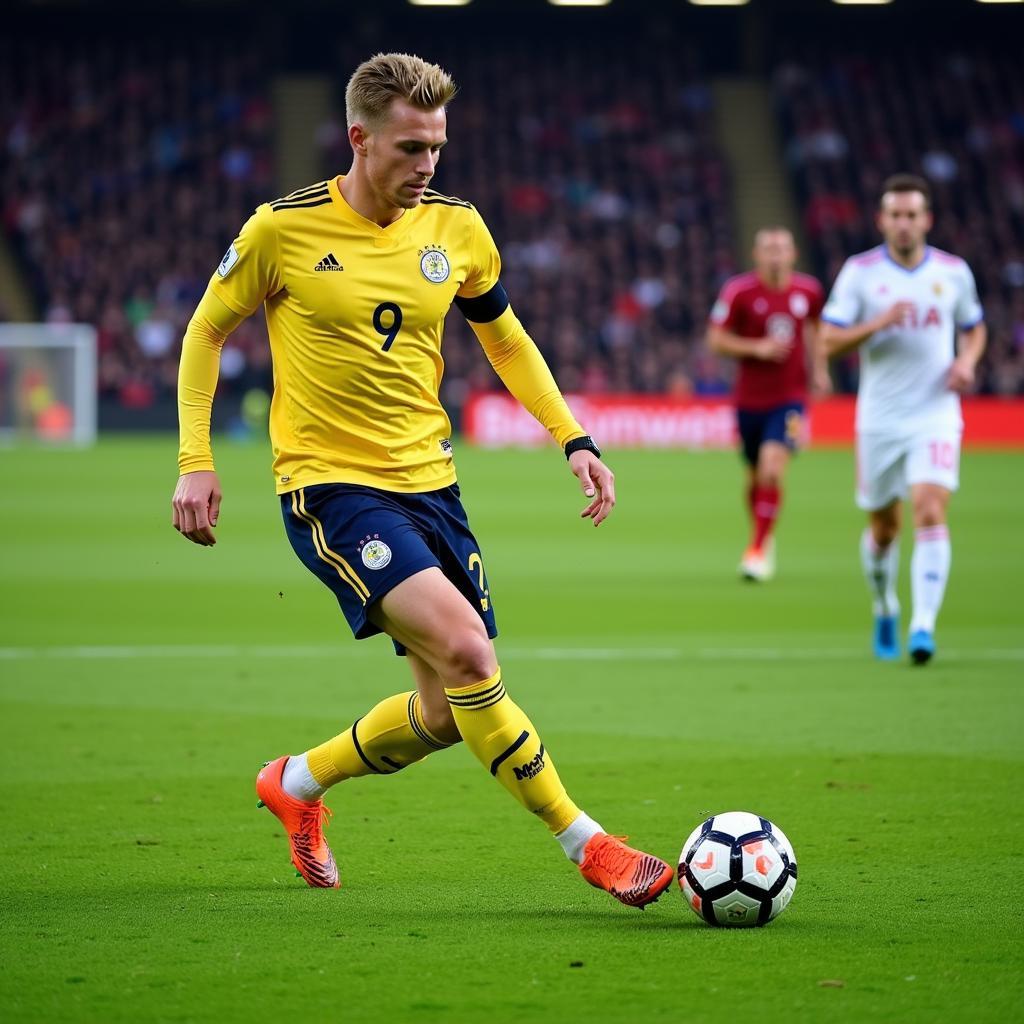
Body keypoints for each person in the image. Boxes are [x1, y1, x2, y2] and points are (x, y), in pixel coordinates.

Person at [171, 53, 673, 907]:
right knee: (472, 651)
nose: (428, 164)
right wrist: (195, 461)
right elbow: (204, 332)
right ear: (359, 139)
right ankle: (588, 844)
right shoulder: (280, 230)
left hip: (433, 486)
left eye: (438, 145)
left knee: (446, 713)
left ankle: (295, 782)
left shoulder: (457, 229)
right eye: (410, 148)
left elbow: (506, 339)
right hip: (332, 487)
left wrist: (573, 438)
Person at [820, 174, 986, 664]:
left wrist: (967, 361)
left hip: (936, 413)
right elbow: (828, 340)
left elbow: (974, 329)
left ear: (926, 220)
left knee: (930, 508)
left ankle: (923, 626)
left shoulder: (954, 272)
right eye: (895, 215)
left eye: (913, 215)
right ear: (882, 220)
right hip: (879, 419)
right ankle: (885, 604)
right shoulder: (860, 272)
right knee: (885, 527)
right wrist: (877, 323)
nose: (904, 223)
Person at [707, 227, 829, 581]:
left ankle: (758, 547)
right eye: (768, 249)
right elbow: (715, 340)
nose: (775, 254)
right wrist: (754, 348)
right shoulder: (739, 292)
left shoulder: (809, 291)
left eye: (781, 248)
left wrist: (819, 370)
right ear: (756, 254)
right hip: (749, 399)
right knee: (754, 474)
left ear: (793, 254)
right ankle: (762, 531)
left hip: (790, 398)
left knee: (772, 467)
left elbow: (817, 330)